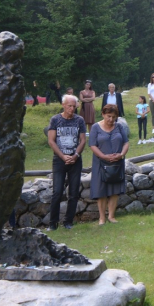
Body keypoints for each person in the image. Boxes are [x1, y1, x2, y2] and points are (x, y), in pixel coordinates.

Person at [47, 95, 86, 230]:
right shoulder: (55, 120)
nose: (72, 108)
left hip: (75, 160)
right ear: (63, 105)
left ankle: (68, 222)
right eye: (69, 106)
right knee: (57, 191)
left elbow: (82, 140)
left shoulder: (79, 120)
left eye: (74, 106)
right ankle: (53, 223)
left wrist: (75, 155)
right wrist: (63, 156)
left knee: (74, 192)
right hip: (59, 160)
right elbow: (51, 140)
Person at [89, 104, 129, 225]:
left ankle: (111, 216)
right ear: (103, 114)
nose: (111, 119)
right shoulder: (95, 127)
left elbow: (126, 142)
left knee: (115, 189)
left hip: (117, 163)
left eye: (114, 117)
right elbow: (92, 145)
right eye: (108, 116)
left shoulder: (119, 127)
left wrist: (121, 154)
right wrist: (103, 156)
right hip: (100, 163)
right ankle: (102, 218)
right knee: (101, 190)